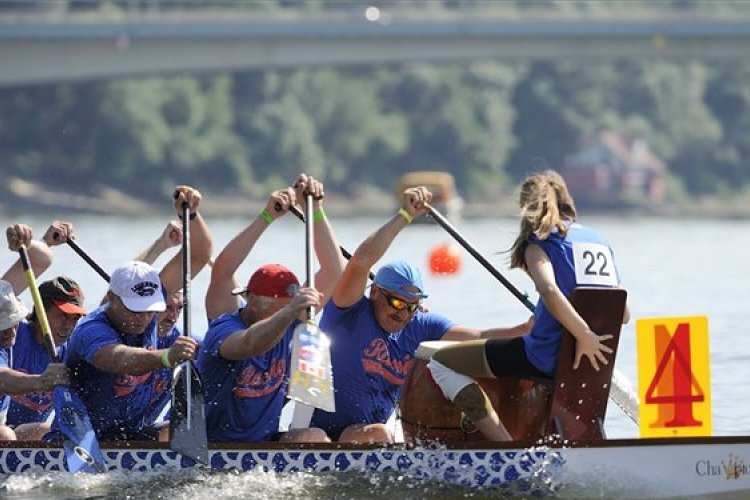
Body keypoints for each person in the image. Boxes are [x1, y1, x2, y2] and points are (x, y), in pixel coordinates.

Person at [309, 186, 532, 444]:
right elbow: (360, 262)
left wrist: (527, 328)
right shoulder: (348, 312)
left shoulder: (421, 326)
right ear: (374, 293)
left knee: (378, 432)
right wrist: (405, 214)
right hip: (319, 435)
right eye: (396, 301)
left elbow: (481, 335)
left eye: (412, 305)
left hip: (366, 435)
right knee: (330, 436)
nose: (404, 313)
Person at [427, 170, 631, 441]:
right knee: (609, 379)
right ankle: (668, 436)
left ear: (526, 207)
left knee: (441, 362)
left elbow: (548, 289)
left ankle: (506, 446)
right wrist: (589, 340)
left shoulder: (539, 244)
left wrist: (583, 335)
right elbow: (624, 313)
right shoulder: (598, 240)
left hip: (544, 358)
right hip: (595, 359)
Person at [47, 188, 206, 442]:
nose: (144, 318)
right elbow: (117, 358)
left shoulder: (149, 309)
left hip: (132, 437)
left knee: (175, 429)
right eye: (134, 308)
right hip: (81, 443)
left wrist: (193, 216)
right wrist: (166, 357)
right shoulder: (91, 330)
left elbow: (198, 256)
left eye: (150, 310)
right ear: (111, 298)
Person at [197, 173, 345, 443]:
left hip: (265, 445)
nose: (287, 315)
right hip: (215, 446)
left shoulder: (294, 320)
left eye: (290, 307)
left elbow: (334, 272)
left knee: (316, 438)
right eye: (279, 308)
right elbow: (249, 342)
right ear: (251, 300)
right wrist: (266, 217)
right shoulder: (224, 327)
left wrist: (316, 209)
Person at [0, 280, 70, 441]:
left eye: (13, 323)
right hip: (4, 432)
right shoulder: (14, 340)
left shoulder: (71, 346)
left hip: (7, 426)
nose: (11, 332)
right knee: (5, 436)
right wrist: (41, 381)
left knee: (49, 430)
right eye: (3, 326)